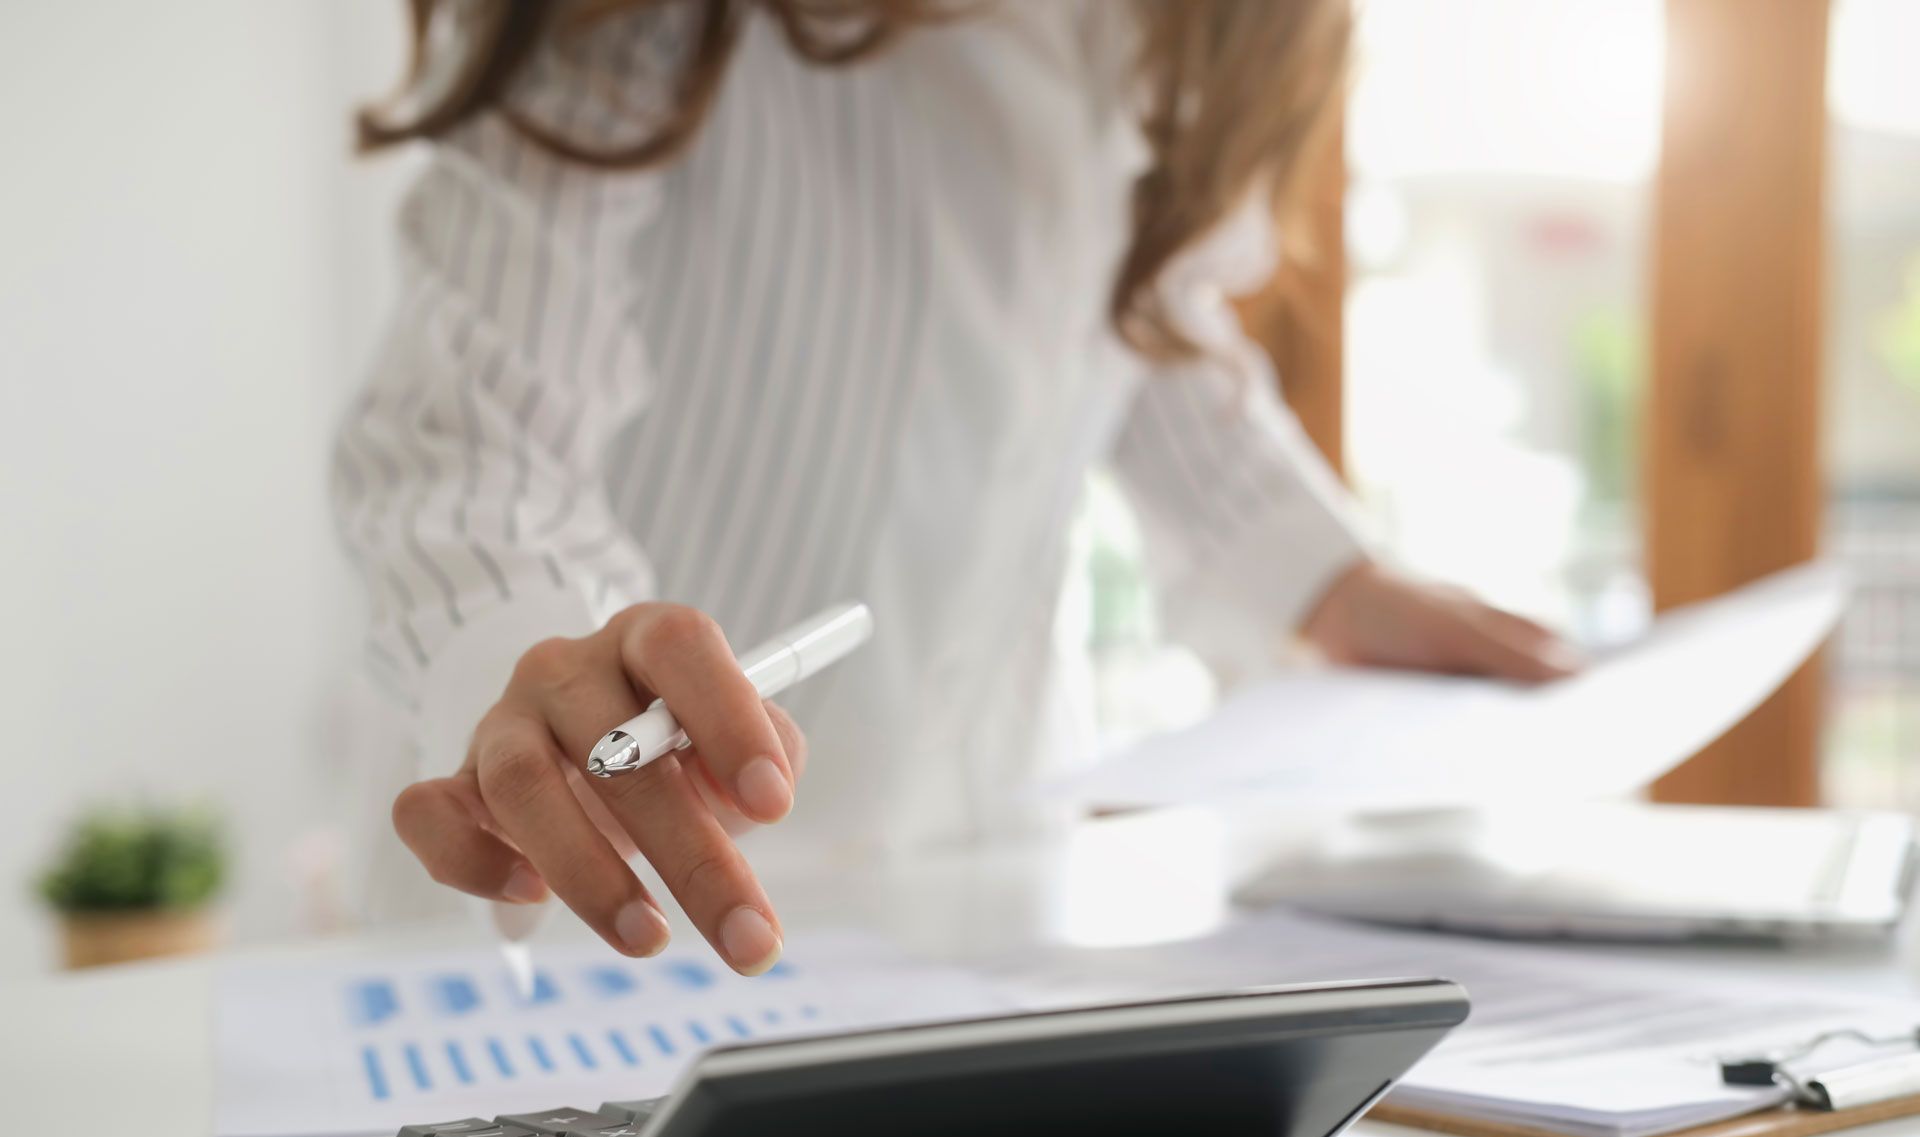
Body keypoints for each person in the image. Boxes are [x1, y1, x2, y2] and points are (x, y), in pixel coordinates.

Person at [335, 0, 1578, 977]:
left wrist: (1326, 576)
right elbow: (466, 431)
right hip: (588, 910)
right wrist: (522, 652)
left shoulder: (1193, 34)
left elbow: (1142, 315)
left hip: (981, 886)